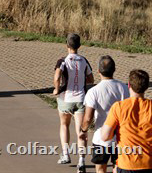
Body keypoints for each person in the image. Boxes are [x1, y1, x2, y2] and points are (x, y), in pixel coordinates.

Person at [79, 56, 129, 173]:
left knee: (100, 168)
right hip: (120, 138)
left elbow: (88, 118)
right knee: (117, 166)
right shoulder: (124, 88)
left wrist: (83, 130)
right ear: (114, 69)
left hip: (101, 138)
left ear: (98, 71)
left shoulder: (93, 92)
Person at [53, 33, 94, 173]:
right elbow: (91, 79)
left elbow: (57, 76)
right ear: (79, 46)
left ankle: (65, 154)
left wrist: (56, 89)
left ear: (67, 45)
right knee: (81, 131)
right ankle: (81, 161)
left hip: (66, 98)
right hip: (81, 99)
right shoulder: (84, 60)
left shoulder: (62, 60)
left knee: (64, 125)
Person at [101, 69, 152, 173]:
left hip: (126, 164)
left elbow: (105, 136)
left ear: (129, 85)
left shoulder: (119, 107)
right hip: (149, 163)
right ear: (146, 87)